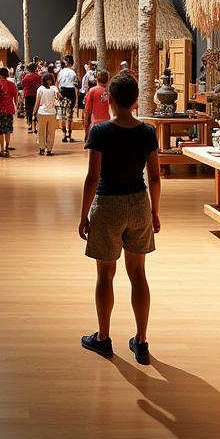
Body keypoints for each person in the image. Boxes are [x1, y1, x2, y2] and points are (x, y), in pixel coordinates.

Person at [79, 73, 161, 362]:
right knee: (138, 274)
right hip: (139, 203)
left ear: (110, 99)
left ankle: (103, 338)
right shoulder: (148, 132)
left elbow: (92, 178)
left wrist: (83, 215)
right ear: (136, 100)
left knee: (105, 274)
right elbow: (154, 177)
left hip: (108, 205)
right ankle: (141, 340)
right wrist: (154, 212)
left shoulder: (100, 132)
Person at [0, 67, 19, 156]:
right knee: (7, 130)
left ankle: (2, 149)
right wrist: (16, 107)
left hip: (0, 109)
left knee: (0, 130)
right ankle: (7, 149)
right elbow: (15, 97)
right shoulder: (12, 84)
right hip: (9, 109)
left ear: (0, 74)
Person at [33, 72, 60, 155]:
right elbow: (58, 98)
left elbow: (37, 102)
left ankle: (41, 149)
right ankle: (49, 150)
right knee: (51, 132)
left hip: (42, 112)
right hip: (52, 113)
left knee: (41, 131)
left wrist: (34, 112)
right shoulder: (54, 89)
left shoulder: (40, 89)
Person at [82, 69, 112, 137]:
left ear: (97, 79)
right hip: (107, 122)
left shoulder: (92, 91)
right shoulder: (109, 92)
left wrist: (86, 122)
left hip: (96, 123)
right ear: (108, 80)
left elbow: (88, 109)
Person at [57, 56, 79, 143]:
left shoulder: (61, 72)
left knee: (62, 114)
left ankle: (63, 135)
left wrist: (58, 93)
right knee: (69, 115)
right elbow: (77, 84)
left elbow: (57, 83)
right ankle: (69, 135)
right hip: (71, 93)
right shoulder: (73, 72)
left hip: (62, 92)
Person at [22, 62, 42, 134]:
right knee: (36, 110)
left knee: (29, 111)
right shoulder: (38, 76)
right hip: (36, 95)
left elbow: (23, 84)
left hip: (28, 95)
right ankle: (36, 126)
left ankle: (30, 126)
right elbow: (40, 85)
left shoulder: (26, 77)